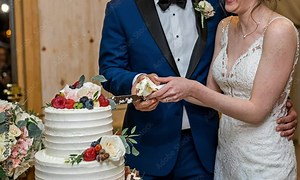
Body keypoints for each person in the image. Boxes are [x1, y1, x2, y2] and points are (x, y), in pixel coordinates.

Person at [99, 0, 298, 179]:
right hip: (149, 145)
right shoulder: (122, 8)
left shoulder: (219, 6)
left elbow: (262, 61)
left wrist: (278, 103)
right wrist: (136, 81)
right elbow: (109, 70)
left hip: (204, 148)